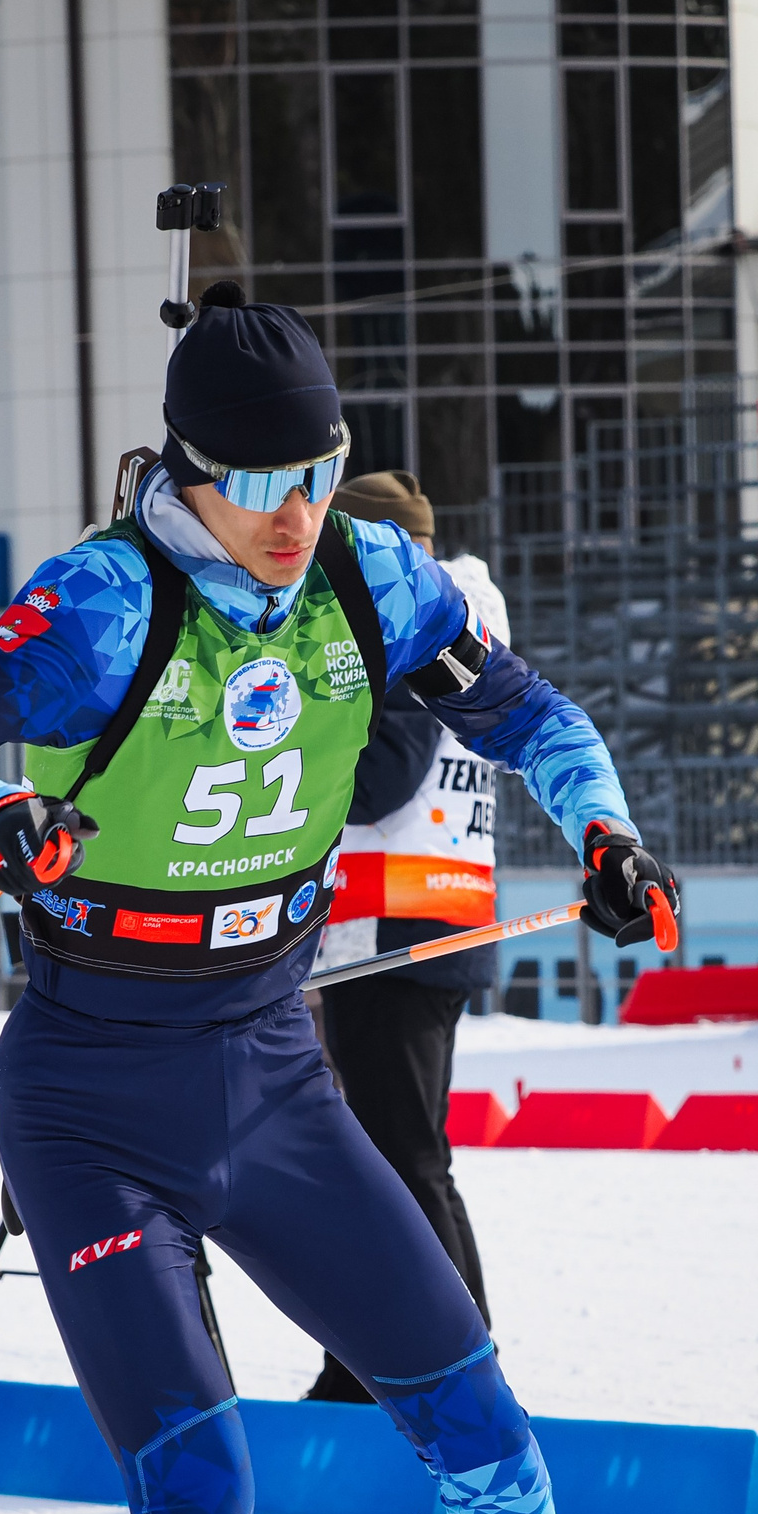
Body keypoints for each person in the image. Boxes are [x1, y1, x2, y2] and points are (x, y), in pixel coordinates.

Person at [0, 282, 676, 1514]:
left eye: (321, 472)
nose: (295, 514)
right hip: (91, 1100)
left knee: (489, 1442)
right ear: (188, 473)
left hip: (275, 1075)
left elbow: (539, 720)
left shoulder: (371, 573)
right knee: (199, 1512)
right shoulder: (104, 603)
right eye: (260, 483)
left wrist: (609, 836)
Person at [302, 469, 510, 1407]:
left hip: (393, 931)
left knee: (400, 1157)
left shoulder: (403, 625)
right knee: (396, 1154)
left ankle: (447, 1361)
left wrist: (292, 767)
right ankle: (390, 1359)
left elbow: (384, 774)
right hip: (432, 916)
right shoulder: (465, 625)